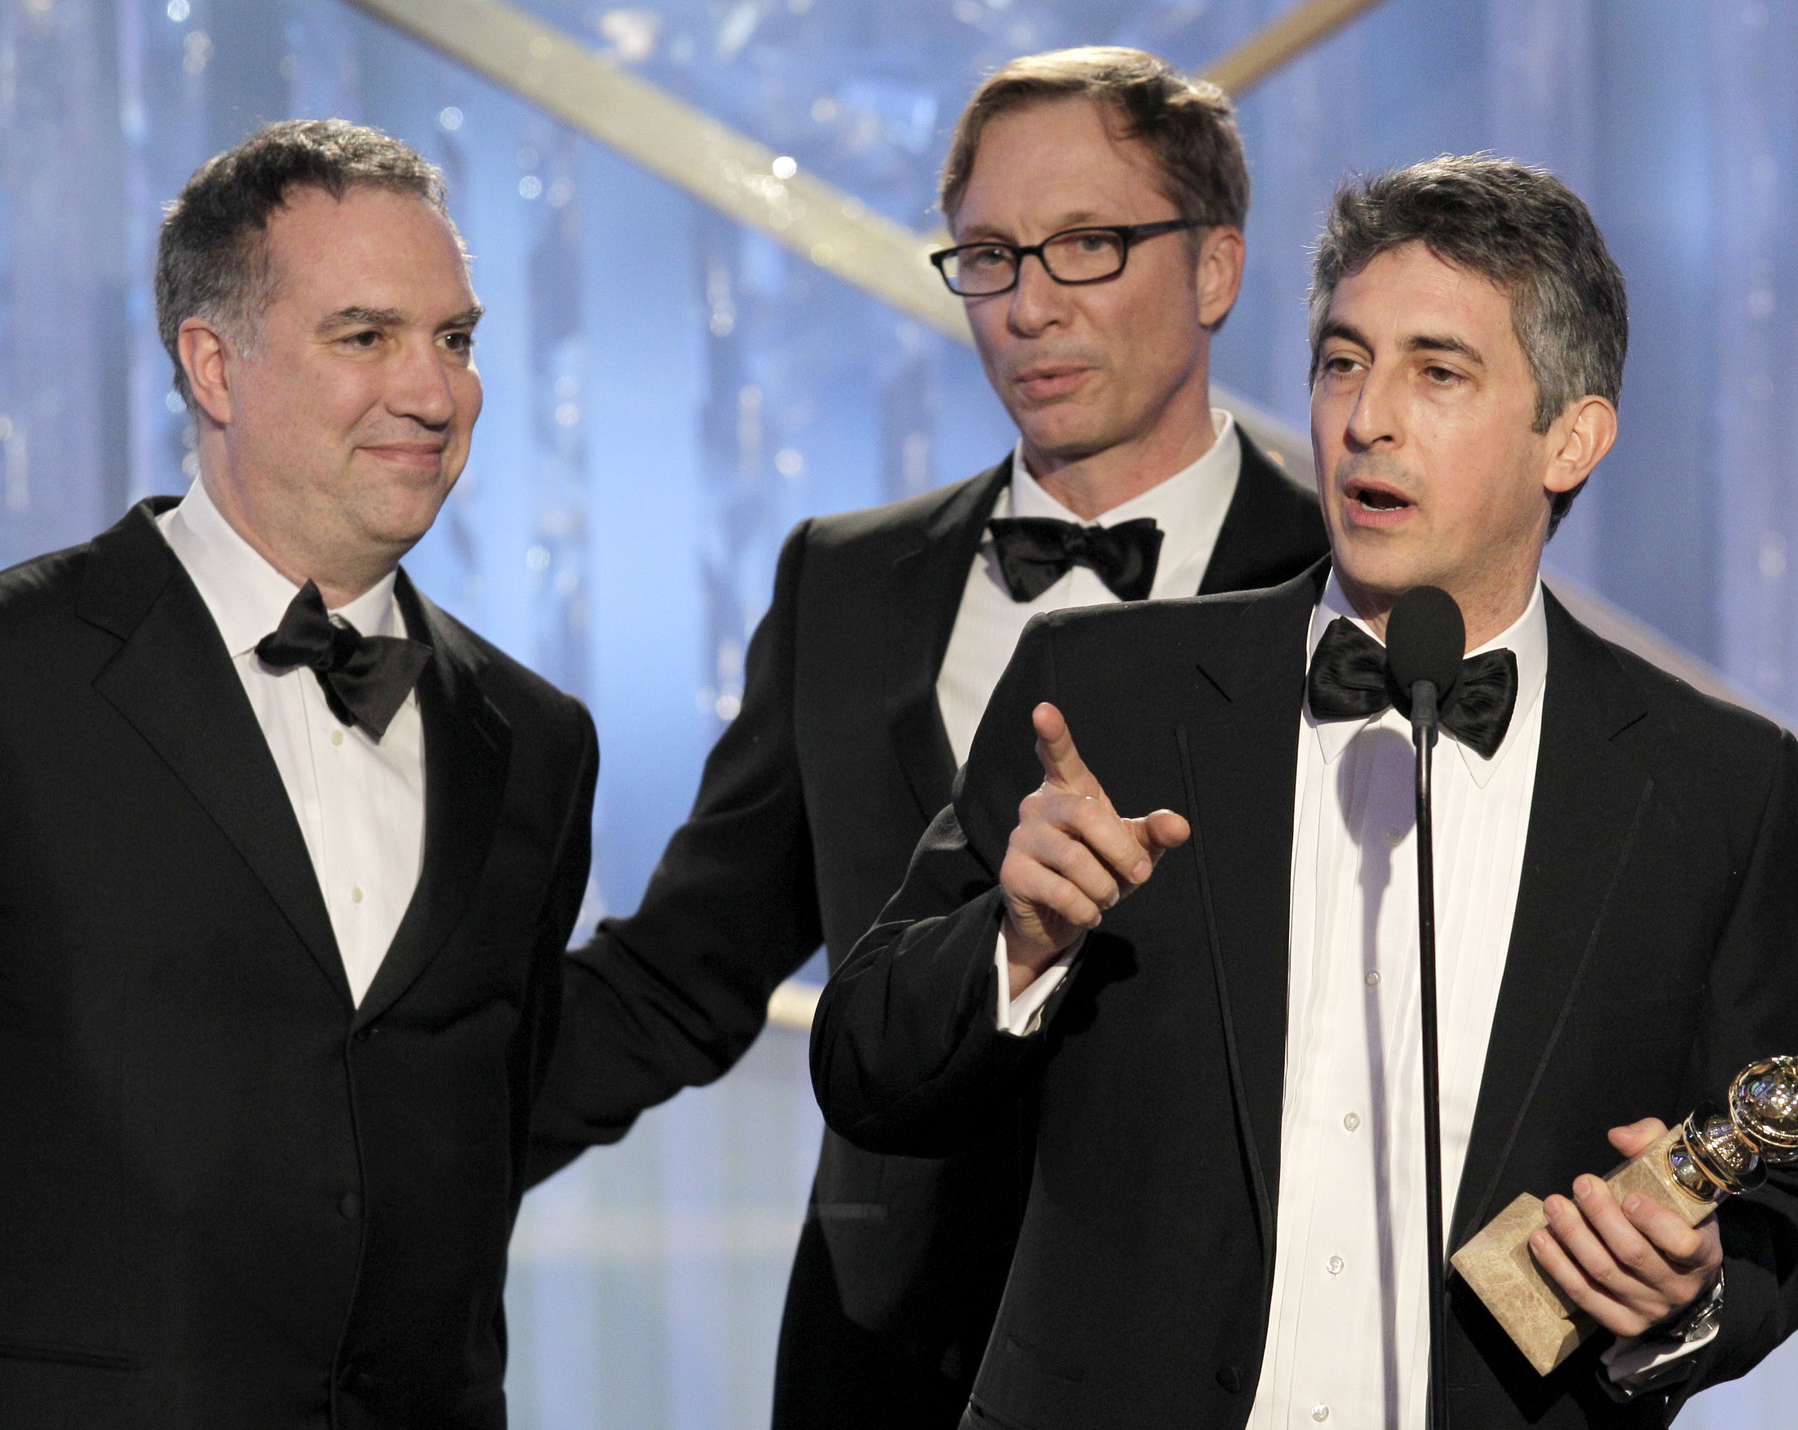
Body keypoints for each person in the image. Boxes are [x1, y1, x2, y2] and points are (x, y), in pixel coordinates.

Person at [811, 155, 1798, 1430]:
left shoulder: (1709, 783)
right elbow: (862, 1063)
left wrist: (1684, 1288)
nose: (1366, 419)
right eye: (1342, 361)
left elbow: (1784, 1210)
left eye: (1437, 372)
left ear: (1569, 436)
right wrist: (1012, 942)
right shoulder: (1108, 693)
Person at [529, 48, 1326, 1428]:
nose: (1028, 306)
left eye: (1087, 246)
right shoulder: (849, 582)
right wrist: (386, 1151)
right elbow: (684, 969)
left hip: (1236, 1363)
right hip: (887, 1359)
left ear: (1214, 268)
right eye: (990, 255)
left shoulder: (1340, 581)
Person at [0, 120, 597, 1428]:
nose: (435, 392)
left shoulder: (537, 736)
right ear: (213, 365)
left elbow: (474, 1148)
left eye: (455, 338)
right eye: (365, 336)